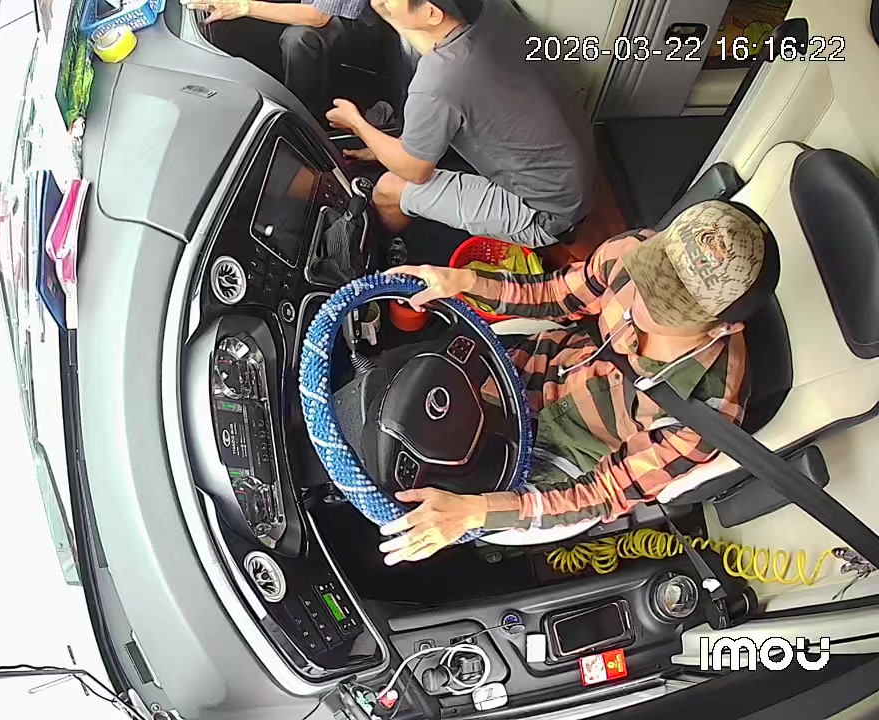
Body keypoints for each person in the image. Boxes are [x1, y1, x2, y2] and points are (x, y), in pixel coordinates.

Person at [378, 200, 777, 565]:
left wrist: (474, 512)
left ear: (724, 327)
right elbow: (557, 294)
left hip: (569, 463)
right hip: (537, 369)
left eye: (669, 307)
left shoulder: (707, 414)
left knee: (431, 519)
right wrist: (466, 281)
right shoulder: (631, 250)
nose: (641, 302)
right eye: (652, 274)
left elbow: (603, 493)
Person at [326, 0, 596, 248]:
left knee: (388, 190)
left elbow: (415, 170)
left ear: (432, 13)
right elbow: (437, 46)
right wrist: (388, 11)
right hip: (573, 175)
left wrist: (356, 123)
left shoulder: (437, 82)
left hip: (545, 212)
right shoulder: (492, 11)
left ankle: (393, 254)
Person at [185, 0, 380, 122]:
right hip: (307, 6)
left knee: (300, 39)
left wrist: (243, 7)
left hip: (349, 22)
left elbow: (319, 16)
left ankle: (305, 121)